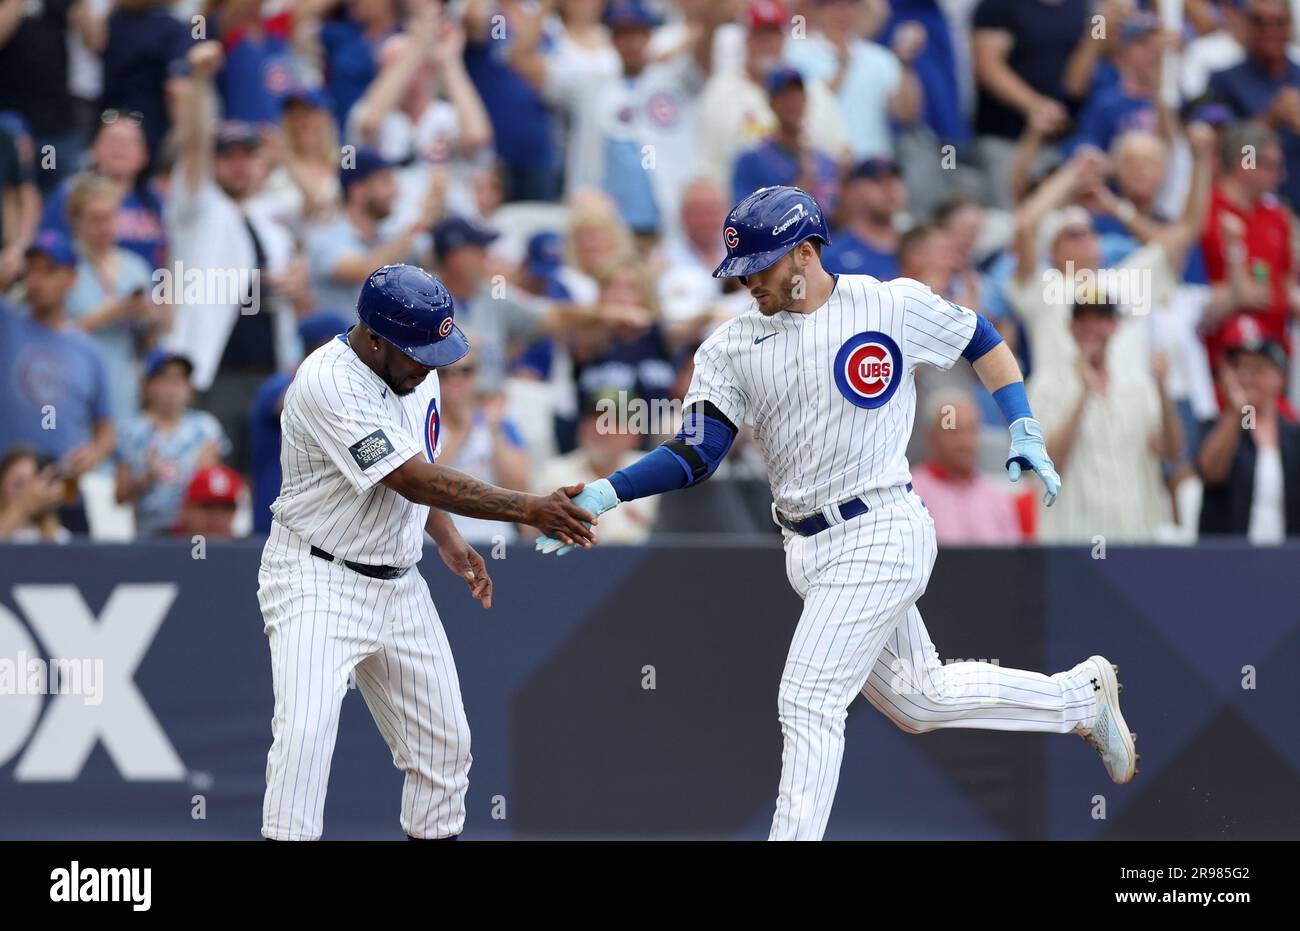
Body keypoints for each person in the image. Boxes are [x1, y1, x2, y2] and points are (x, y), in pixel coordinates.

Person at [535, 186, 1137, 840]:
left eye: (759, 267)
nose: (746, 283)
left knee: (807, 699)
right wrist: (608, 490)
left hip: (883, 526)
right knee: (920, 698)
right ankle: (1080, 698)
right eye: (738, 272)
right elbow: (699, 451)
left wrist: (1022, 424)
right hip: (807, 546)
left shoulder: (887, 303)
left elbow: (979, 335)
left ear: (803, 251)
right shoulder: (731, 346)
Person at [258, 263, 597, 841]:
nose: (432, 363)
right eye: (418, 351)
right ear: (373, 339)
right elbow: (411, 478)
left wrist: (446, 536)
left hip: (399, 581)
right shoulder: (328, 381)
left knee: (446, 750)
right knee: (305, 741)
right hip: (317, 577)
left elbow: (417, 468)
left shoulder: (418, 369)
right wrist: (529, 508)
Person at [1029, 297, 1184, 543]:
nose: (1092, 328)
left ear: (1114, 326)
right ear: (1071, 327)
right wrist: (1083, 394)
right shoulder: (1044, 386)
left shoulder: (1138, 386)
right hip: (1071, 540)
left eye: (1101, 319)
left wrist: (1163, 390)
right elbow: (1045, 466)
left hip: (1135, 538)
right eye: (1084, 320)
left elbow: (1171, 450)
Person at [0, 230, 115, 533]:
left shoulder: (89, 351)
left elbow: (106, 431)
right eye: (31, 270)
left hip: (64, 492)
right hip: (8, 491)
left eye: (48, 271)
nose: (36, 281)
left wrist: (92, 454)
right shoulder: (8, 323)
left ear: (71, 279)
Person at [64, 173, 161, 428]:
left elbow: (149, 342)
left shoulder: (135, 267)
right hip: (72, 384)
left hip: (123, 384)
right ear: (76, 221)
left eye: (111, 216)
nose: (105, 226)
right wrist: (108, 314)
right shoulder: (61, 265)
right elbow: (48, 334)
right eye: (96, 219)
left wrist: (150, 318)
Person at [1196, 317, 1300, 540]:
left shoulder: (1293, 435)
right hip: (1229, 561)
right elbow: (1211, 473)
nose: (1247, 378)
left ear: (1278, 377)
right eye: (1242, 368)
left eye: (1257, 369)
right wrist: (1237, 411)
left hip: (1285, 560)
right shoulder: (1218, 427)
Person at [116, 350, 229, 538]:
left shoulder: (206, 427)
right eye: (165, 380)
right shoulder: (130, 431)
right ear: (147, 386)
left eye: (179, 380)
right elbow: (120, 496)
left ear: (189, 388)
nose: (172, 389)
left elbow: (218, 487)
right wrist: (147, 477)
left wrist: (204, 473)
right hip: (149, 529)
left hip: (195, 530)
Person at [533, 389, 659, 544]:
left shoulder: (654, 473)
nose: (599, 429)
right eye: (593, 419)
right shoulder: (554, 473)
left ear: (634, 434)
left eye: (611, 422)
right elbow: (532, 538)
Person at [909, 391, 1024, 545]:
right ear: (932, 436)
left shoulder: (998, 499)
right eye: (953, 432)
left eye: (971, 430)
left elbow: (1014, 562)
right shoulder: (910, 495)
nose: (964, 442)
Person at [730, 67, 841, 213]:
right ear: (771, 102)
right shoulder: (751, 161)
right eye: (784, 97)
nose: (792, 103)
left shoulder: (825, 161)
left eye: (797, 96)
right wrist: (799, 189)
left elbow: (839, 218)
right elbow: (744, 218)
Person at [821, 157, 906, 279]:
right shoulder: (832, 256)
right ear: (854, 189)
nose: (891, 188)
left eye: (895, 180)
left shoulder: (916, 250)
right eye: (879, 182)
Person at [0, 445, 70, 543]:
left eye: (33, 484)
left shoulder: (59, 535)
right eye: (18, 484)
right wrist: (24, 506)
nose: (29, 493)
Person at [176, 463, 243, 539]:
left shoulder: (251, 549)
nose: (217, 517)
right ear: (185, 509)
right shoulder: (161, 545)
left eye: (227, 507)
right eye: (207, 506)